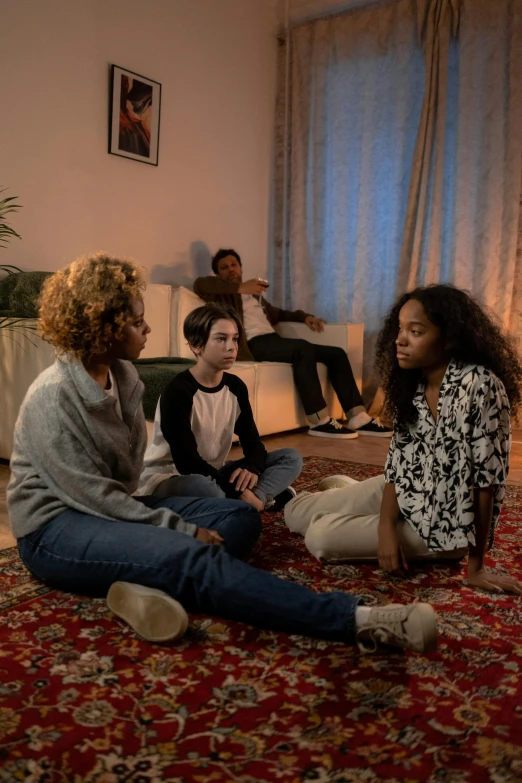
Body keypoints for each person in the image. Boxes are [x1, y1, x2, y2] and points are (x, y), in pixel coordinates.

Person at [7, 252, 438, 653]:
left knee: (241, 517)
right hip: (54, 529)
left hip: (114, 507)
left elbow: (126, 476)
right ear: (103, 326)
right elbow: (96, 498)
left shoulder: (124, 378)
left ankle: (146, 585)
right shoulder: (55, 397)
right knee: (192, 552)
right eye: (138, 322)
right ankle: (355, 620)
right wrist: (178, 529)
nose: (149, 330)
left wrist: (168, 524)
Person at [284, 284, 522, 596]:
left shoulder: (479, 387)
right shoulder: (415, 383)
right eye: (400, 328)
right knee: (293, 513)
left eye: (416, 331)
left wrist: (476, 567)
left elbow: (484, 484)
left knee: (318, 536)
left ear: (449, 337)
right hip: (407, 492)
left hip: (442, 528)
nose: (400, 339)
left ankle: (349, 499)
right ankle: (350, 494)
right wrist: (385, 528)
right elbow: (397, 464)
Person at [193, 249, 391, 440]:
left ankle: (358, 416)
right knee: (302, 349)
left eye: (234, 265)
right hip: (252, 345)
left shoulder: (253, 296)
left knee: (336, 353)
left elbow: (278, 314)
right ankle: (319, 420)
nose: (231, 269)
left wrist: (304, 317)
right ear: (218, 273)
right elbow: (200, 285)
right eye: (224, 267)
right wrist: (239, 288)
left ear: (241, 268)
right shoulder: (220, 294)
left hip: (272, 340)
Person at [139, 303, 303, 513]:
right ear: (196, 345)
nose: (232, 347)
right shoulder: (178, 391)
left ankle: (254, 500)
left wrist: (252, 468)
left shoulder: (235, 387)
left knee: (290, 457)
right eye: (221, 338)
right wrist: (235, 485)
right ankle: (259, 497)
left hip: (215, 473)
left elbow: (253, 443)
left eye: (234, 338)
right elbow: (187, 463)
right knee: (202, 486)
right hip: (172, 476)